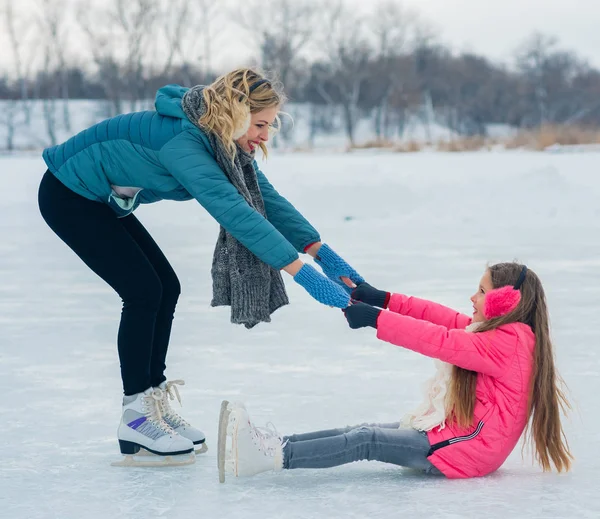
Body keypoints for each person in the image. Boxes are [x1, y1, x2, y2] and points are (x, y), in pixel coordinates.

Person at [37, 68, 361, 465]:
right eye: (260, 124)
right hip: (69, 196)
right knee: (143, 291)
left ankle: (151, 399)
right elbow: (235, 213)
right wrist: (303, 274)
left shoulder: (219, 141)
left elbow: (267, 201)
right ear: (236, 112)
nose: (264, 135)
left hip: (99, 201)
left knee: (164, 288)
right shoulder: (185, 143)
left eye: (270, 126)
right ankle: (136, 416)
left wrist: (321, 252)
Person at [217, 262, 573, 481]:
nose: (472, 298)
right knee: (358, 430)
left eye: (482, 292)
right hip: (455, 431)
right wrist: (382, 299)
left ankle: (270, 459)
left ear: (505, 302)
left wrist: (376, 320)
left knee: (365, 439)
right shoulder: (502, 335)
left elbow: (441, 340)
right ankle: (273, 446)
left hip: (463, 450)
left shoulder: (506, 345)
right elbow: (440, 318)